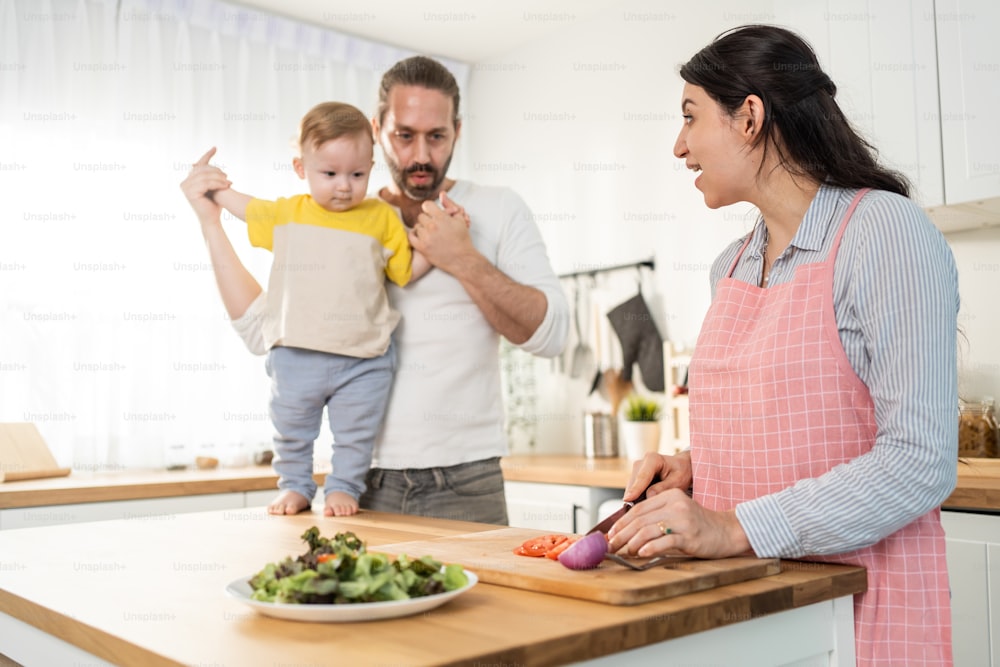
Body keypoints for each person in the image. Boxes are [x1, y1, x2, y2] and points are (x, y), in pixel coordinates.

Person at [605, 25, 958, 666]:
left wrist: (734, 526)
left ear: (749, 117)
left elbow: (918, 461)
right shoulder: (731, 266)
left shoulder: (882, 230)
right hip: (752, 610)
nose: (679, 146)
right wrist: (697, 465)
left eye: (690, 118)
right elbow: (786, 426)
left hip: (862, 607)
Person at [183, 56, 569, 525]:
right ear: (377, 129)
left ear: (458, 131)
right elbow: (260, 331)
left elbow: (552, 337)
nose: (421, 154)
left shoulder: (499, 208)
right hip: (360, 483)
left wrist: (461, 257)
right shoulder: (336, 220)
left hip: (466, 480)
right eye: (404, 135)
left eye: (437, 136)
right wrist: (211, 224)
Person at [186, 101, 434, 518]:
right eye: (330, 174)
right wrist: (210, 184)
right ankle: (296, 485)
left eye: (357, 174)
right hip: (296, 353)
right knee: (292, 430)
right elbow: (241, 205)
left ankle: (343, 487)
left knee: (355, 437)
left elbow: (404, 272)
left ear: (372, 166)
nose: (343, 186)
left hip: (364, 359)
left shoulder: (381, 217)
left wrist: (443, 245)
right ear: (301, 168)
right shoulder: (287, 213)